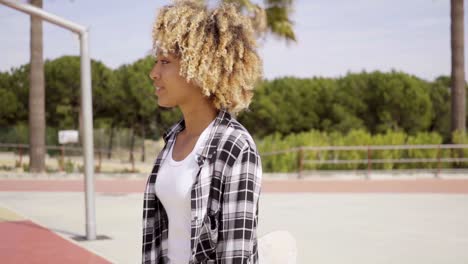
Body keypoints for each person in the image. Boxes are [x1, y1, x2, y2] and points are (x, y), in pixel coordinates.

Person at [142, 1, 263, 263]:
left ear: (199, 67)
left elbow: (235, 254)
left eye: (165, 62)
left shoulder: (235, 147)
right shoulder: (173, 139)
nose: (154, 73)